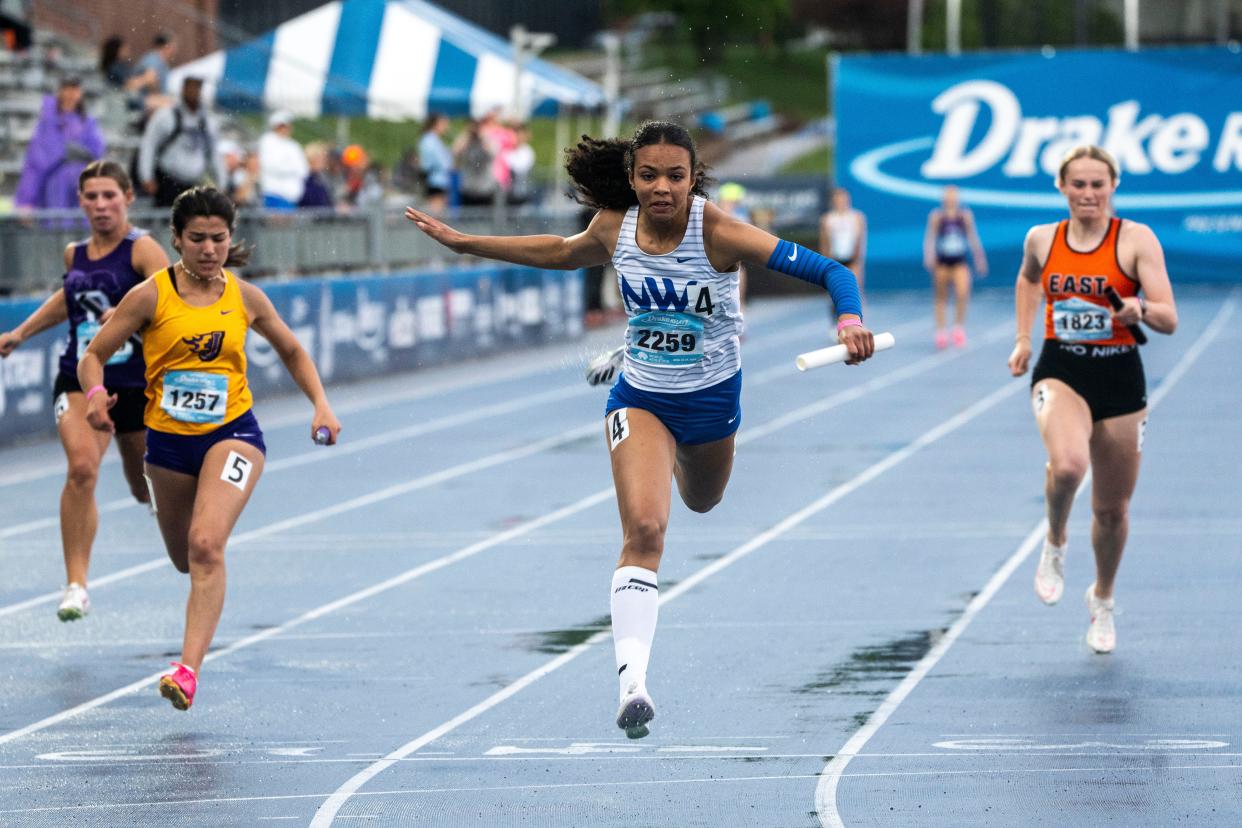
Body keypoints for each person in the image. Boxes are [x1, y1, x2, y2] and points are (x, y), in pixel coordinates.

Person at [405, 121, 874, 738]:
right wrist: (468, 245)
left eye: (674, 176)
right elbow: (560, 252)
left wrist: (848, 322)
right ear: (632, 178)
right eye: (648, 175)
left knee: (702, 501)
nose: (661, 188)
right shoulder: (613, 227)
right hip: (643, 399)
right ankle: (633, 684)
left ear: (692, 177)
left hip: (710, 403)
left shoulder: (721, 232)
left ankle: (668, 438)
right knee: (646, 529)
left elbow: (833, 273)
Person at [78, 186, 341, 710]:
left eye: (218, 238)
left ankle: (187, 670)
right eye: (196, 238)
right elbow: (94, 355)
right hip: (169, 446)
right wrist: (94, 396)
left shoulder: (244, 297)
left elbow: (291, 349)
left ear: (230, 238)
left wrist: (321, 404)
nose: (208, 248)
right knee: (183, 559)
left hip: (234, 435)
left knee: (205, 546)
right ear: (176, 239)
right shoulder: (151, 295)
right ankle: (195, 630)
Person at [1007, 145, 1177, 654]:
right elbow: (1028, 279)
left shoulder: (1135, 240)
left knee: (1110, 511)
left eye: (1097, 185)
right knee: (1067, 466)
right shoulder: (1042, 238)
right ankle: (1055, 542)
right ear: (1061, 187)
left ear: (1113, 187)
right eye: (1078, 184)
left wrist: (1139, 309)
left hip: (1121, 379)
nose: (1087, 194)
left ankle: (1102, 598)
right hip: (1063, 368)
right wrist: (1023, 339)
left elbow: (1170, 317)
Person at [0, 160, 169, 620]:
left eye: (109, 196)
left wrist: (129, 313)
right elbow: (66, 300)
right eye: (91, 197)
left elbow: (174, 304)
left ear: (128, 198)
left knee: (143, 489)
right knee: (81, 468)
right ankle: (76, 584)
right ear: (80, 202)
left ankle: (180, 524)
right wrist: (21, 333)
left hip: (135, 383)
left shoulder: (143, 250)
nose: (100, 205)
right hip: (79, 374)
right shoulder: (75, 254)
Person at [14, 76, 106, 212]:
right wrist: (26, 200)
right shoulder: (48, 122)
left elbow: (96, 152)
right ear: (60, 91)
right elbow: (36, 162)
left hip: (83, 185)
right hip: (55, 185)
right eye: (68, 89)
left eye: (75, 89)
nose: (71, 94)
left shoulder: (87, 122)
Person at [138, 77, 223, 208]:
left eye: (197, 87)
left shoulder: (207, 120)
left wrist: (222, 182)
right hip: (167, 180)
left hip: (194, 182)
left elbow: (214, 153)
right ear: (183, 88)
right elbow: (149, 144)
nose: (194, 91)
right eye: (190, 86)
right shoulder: (166, 115)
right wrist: (146, 176)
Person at [923, 185, 986, 348]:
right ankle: (941, 330)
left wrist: (979, 258)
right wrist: (928, 255)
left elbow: (973, 237)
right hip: (942, 262)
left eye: (953, 196)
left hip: (959, 262)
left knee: (962, 292)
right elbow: (930, 237)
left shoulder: (964, 216)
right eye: (948, 196)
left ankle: (958, 326)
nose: (950, 199)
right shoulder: (937, 216)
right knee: (941, 297)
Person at [820, 187, 867, 297]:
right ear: (834, 201)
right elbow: (824, 241)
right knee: (836, 289)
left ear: (848, 200)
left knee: (855, 289)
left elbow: (860, 238)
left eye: (843, 199)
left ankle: (860, 313)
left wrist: (858, 258)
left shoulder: (857, 217)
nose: (841, 202)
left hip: (852, 257)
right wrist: (825, 260)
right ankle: (836, 312)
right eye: (838, 199)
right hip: (834, 258)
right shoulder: (827, 218)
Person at [258, 110, 307, 210]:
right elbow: (271, 165)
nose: (287, 129)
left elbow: (303, 170)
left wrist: (290, 168)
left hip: (291, 198)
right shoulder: (267, 141)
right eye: (284, 126)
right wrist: (292, 168)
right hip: (274, 194)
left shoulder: (293, 145)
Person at [416, 114, 453, 213]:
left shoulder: (432, 140)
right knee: (435, 216)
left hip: (438, 180)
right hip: (435, 181)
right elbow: (438, 163)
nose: (446, 127)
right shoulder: (430, 140)